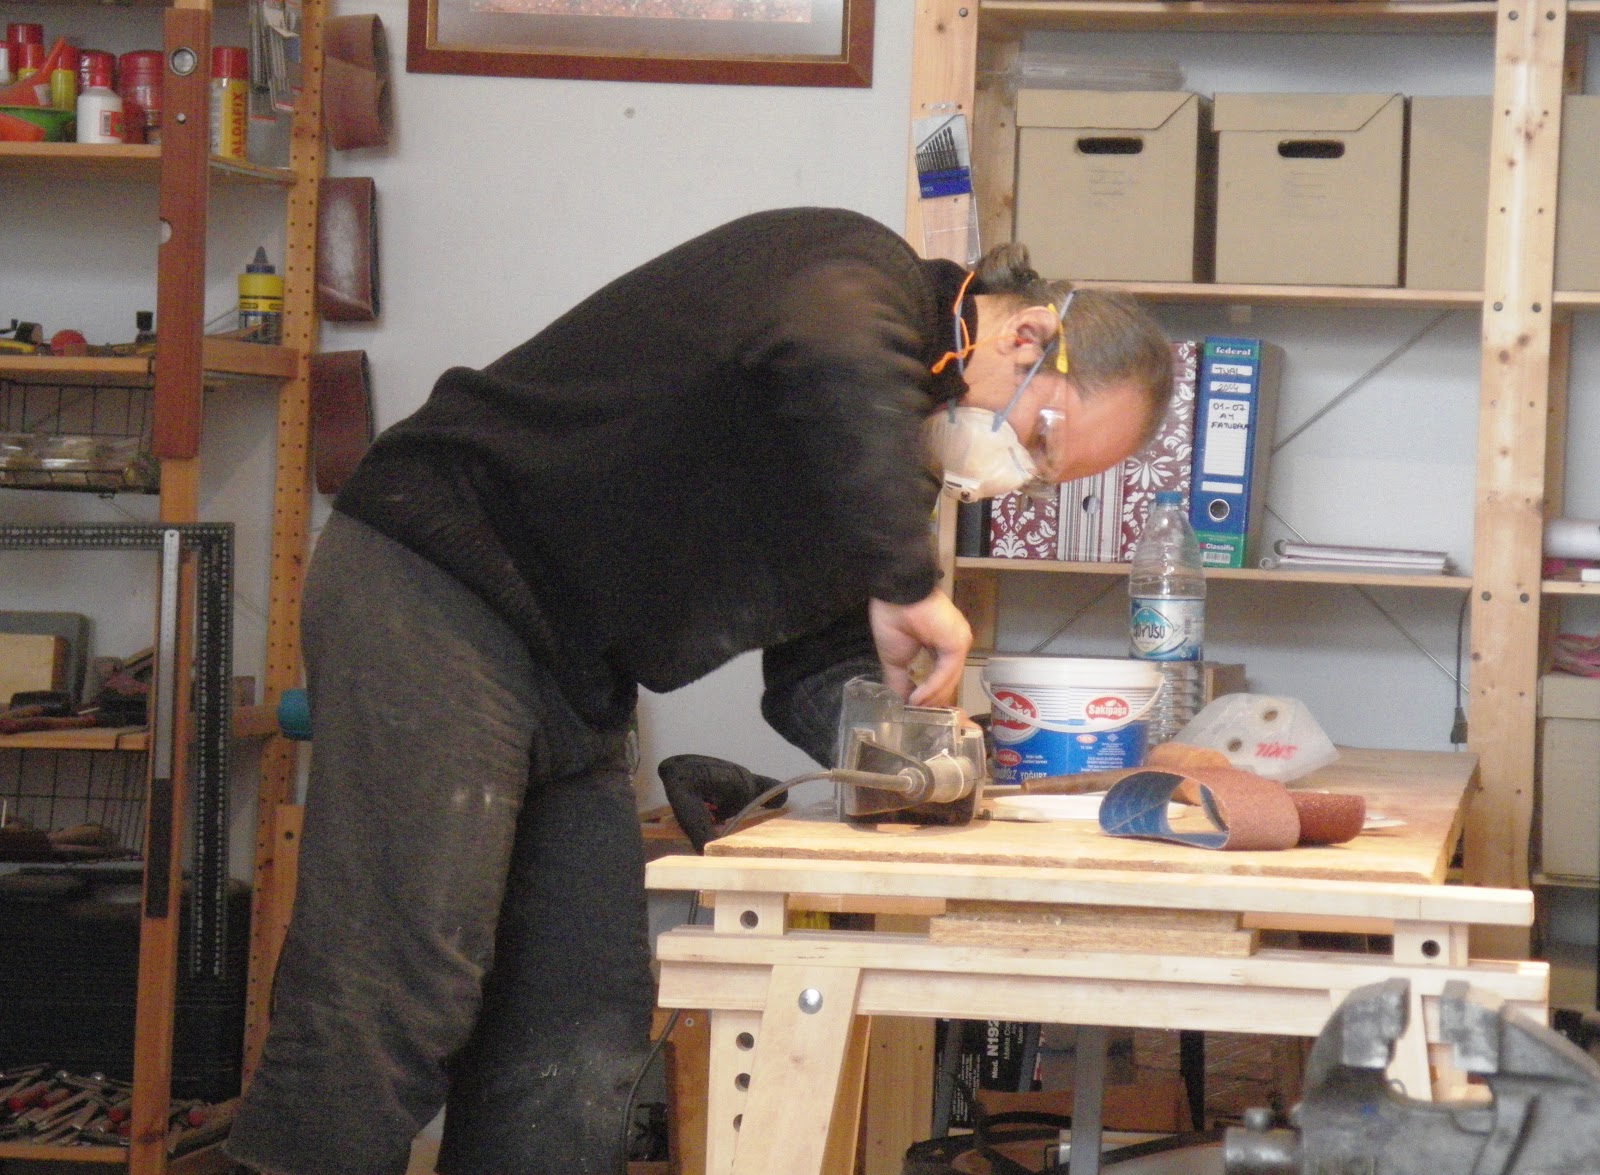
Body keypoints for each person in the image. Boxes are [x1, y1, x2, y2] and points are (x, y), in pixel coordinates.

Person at [225, 206, 1173, 1175]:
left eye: (1043, 478)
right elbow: (832, 358)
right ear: (1025, 335)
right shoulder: (858, 275)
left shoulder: (886, 469)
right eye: (1041, 441)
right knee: (395, 986)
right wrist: (908, 578)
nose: (1016, 475)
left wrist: (914, 752)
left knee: (579, 1019)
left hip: (574, 671)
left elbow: (813, 669)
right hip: (439, 577)